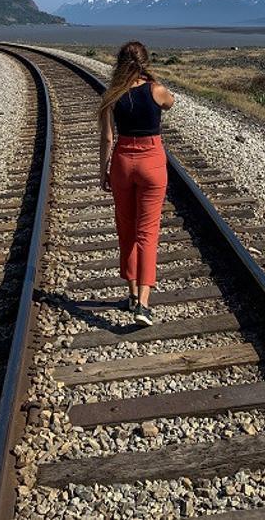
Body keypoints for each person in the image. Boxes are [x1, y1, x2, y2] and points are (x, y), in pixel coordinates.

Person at [98, 41, 174, 326]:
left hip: (122, 162)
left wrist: (103, 170)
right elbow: (171, 102)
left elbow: (107, 138)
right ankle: (143, 304)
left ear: (119, 63)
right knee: (147, 233)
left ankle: (131, 293)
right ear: (145, 62)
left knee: (126, 229)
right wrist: (153, 79)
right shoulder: (156, 90)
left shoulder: (112, 95)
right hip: (151, 160)